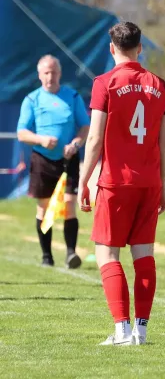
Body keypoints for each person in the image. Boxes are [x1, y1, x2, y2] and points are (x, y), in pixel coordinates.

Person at [78, 22, 165, 346]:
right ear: (140, 47)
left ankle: (121, 330)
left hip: (116, 182)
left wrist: (84, 180)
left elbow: (93, 139)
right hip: (148, 183)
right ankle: (141, 332)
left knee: (108, 254)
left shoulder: (104, 83)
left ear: (111, 48)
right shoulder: (160, 86)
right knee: (144, 254)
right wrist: (161, 185)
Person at [17, 55, 90, 269]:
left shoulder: (72, 96)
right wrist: (41, 139)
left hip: (68, 159)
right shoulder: (32, 100)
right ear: (40, 75)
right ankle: (47, 256)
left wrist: (75, 144)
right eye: (46, 73)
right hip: (42, 160)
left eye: (54, 72)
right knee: (45, 208)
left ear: (60, 73)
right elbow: (22, 133)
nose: (50, 77)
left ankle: (71, 253)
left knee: (69, 205)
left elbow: (85, 127)